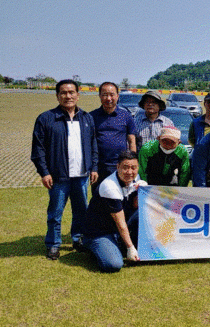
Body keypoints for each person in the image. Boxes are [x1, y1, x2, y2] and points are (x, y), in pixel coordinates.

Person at [31, 79, 98, 260]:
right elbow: (38, 150)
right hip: (58, 177)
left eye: (71, 92)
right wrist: (44, 172)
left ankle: (78, 239)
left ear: (78, 94)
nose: (68, 96)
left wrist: (93, 167)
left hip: (81, 175)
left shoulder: (86, 118)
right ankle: (53, 244)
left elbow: (93, 145)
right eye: (63, 93)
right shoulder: (46, 119)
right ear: (57, 95)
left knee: (81, 211)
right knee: (55, 213)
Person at [83, 150, 145, 272]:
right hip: (100, 231)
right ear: (117, 167)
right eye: (125, 167)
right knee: (114, 264)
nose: (129, 172)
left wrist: (141, 191)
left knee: (143, 213)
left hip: (117, 227)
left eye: (133, 168)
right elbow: (120, 223)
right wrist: (130, 247)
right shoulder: (109, 186)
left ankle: (119, 243)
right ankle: (92, 246)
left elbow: (135, 206)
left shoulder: (136, 178)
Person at [90, 82, 137, 190]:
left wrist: (132, 164)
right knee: (99, 196)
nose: (108, 98)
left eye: (112, 95)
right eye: (105, 95)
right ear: (100, 96)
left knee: (121, 196)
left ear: (117, 96)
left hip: (120, 165)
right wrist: (93, 167)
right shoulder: (92, 116)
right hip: (99, 166)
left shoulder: (126, 116)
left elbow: (132, 142)